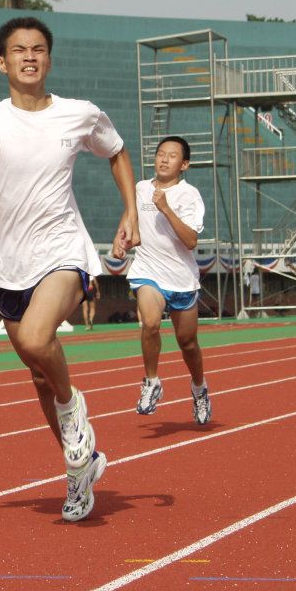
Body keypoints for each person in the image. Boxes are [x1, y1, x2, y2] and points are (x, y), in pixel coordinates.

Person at [0, 17, 140, 521]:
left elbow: (116, 152)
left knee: (35, 341)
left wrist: (131, 211)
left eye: (39, 49)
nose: (30, 56)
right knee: (40, 375)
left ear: (49, 58)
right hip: (8, 264)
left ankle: (74, 413)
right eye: (19, 50)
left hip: (63, 250)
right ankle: (80, 470)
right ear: (2, 62)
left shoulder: (78, 114)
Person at [113, 135, 211, 425]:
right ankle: (152, 381)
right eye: (160, 154)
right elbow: (130, 215)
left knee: (188, 343)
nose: (164, 159)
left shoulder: (189, 195)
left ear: (185, 164)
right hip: (148, 270)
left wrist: (166, 208)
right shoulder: (142, 188)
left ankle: (199, 388)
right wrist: (121, 240)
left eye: (172, 155)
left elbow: (191, 240)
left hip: (181, 278)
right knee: (151, 323)